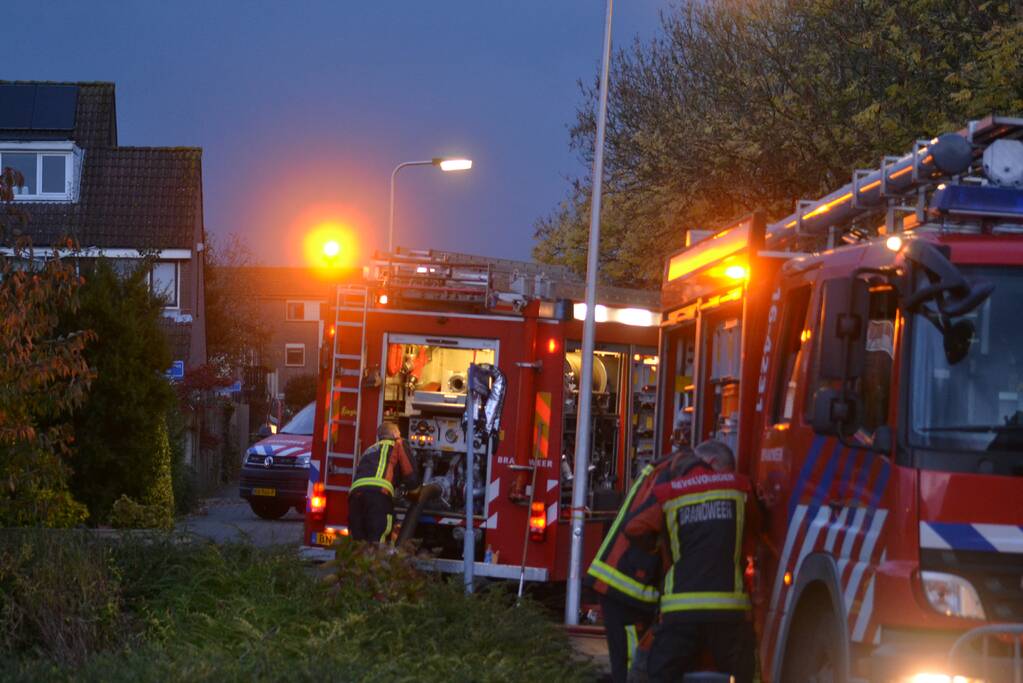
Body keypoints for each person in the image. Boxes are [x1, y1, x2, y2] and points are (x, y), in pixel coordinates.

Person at [625, 440, 756, 683]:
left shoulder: (671, 492)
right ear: (713, 463)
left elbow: (634, 528)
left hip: (680, 611)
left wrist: (662, 545)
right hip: (729, 610)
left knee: (661, 676)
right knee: (744, 675)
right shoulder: (740, 487)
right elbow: (758, 530)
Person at [585, 446, 699, 683]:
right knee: (630, 666)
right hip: (628, 586)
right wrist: (664, 552)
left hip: (623, 582)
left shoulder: (662, 470)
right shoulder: (673, 475)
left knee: (630, 662)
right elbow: (638, 527)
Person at [348, 422, 418, 543]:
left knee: (358, 541)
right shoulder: (398, 444)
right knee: (378, 539)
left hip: (355, 495)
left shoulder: (370, 449)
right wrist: (414, 493)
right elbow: (410, 474)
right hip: (378, 496)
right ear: (395, 434)